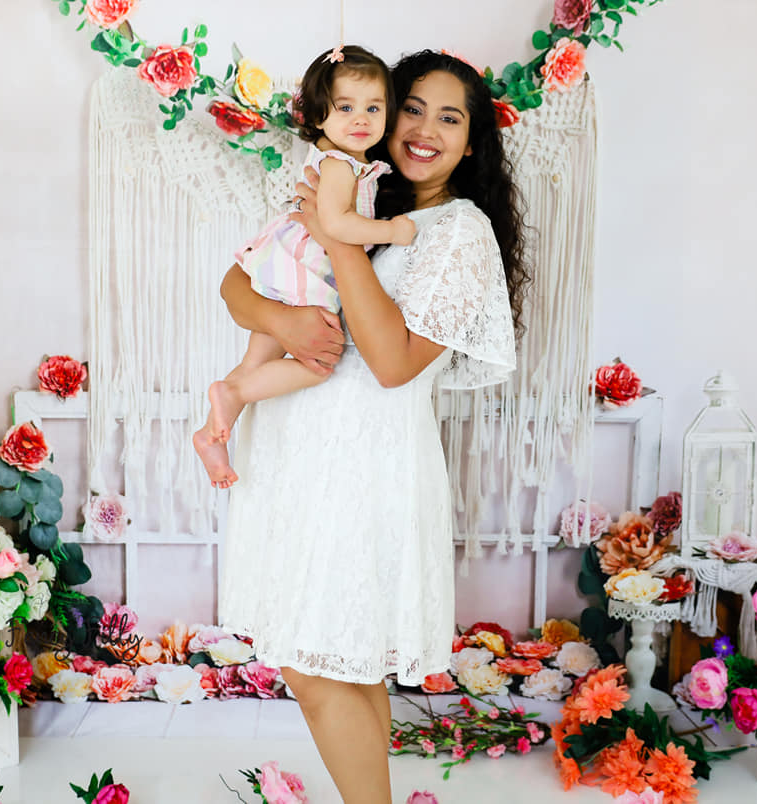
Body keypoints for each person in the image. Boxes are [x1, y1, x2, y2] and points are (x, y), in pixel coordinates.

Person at [218, 50, 529, 804]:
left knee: (319, 664)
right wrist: (283, 317)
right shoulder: (355, 187)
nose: (423, 129)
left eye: (448, 118)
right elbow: (238, 281)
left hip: (364, 468)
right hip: (298, 456)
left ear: (472, 142)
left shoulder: (455, 230)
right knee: (340, 661)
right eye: (411, 108)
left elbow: (393, 364)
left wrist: (338, 235)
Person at [193, 45, 416, 488]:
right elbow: (334, 224)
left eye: (373, 108)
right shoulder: (340, 166)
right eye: (346, 108)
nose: (361, 119)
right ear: (318, 116)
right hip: (308, 274)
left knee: (257, 361)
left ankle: (211, 432)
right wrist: (391, 231)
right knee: (317, 365)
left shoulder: (346, 161)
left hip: (290, 268)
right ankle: (234, 393)